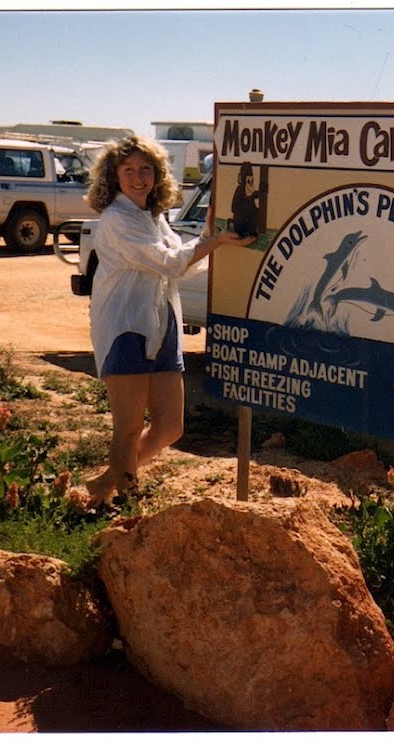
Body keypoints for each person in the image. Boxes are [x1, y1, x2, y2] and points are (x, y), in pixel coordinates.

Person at [82, 136, 252, 506]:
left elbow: (179, 266)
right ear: (113, 177)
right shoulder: (115, 219)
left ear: (158, 175)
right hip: (126, 328)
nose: (138, 177)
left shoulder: (152, 217)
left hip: (161, 325)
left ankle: (105, 483)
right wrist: (215, 241)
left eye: (146, 169)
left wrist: (209, 238)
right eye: (129, 170)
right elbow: (170, 262)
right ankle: (127, 504)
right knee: (127, 428)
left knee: (170, 427)